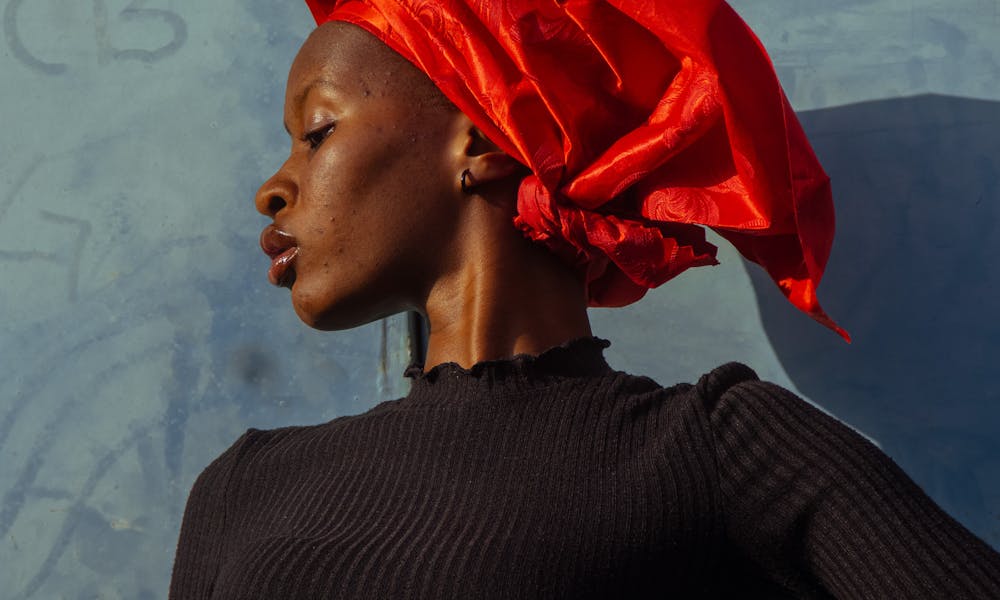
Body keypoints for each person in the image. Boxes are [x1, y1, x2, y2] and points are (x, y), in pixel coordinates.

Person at [169, 1, 1000, 598]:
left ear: (486, 142)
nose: (272, 190)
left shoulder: (718, 448)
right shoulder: (243, 486)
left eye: (317, 132)